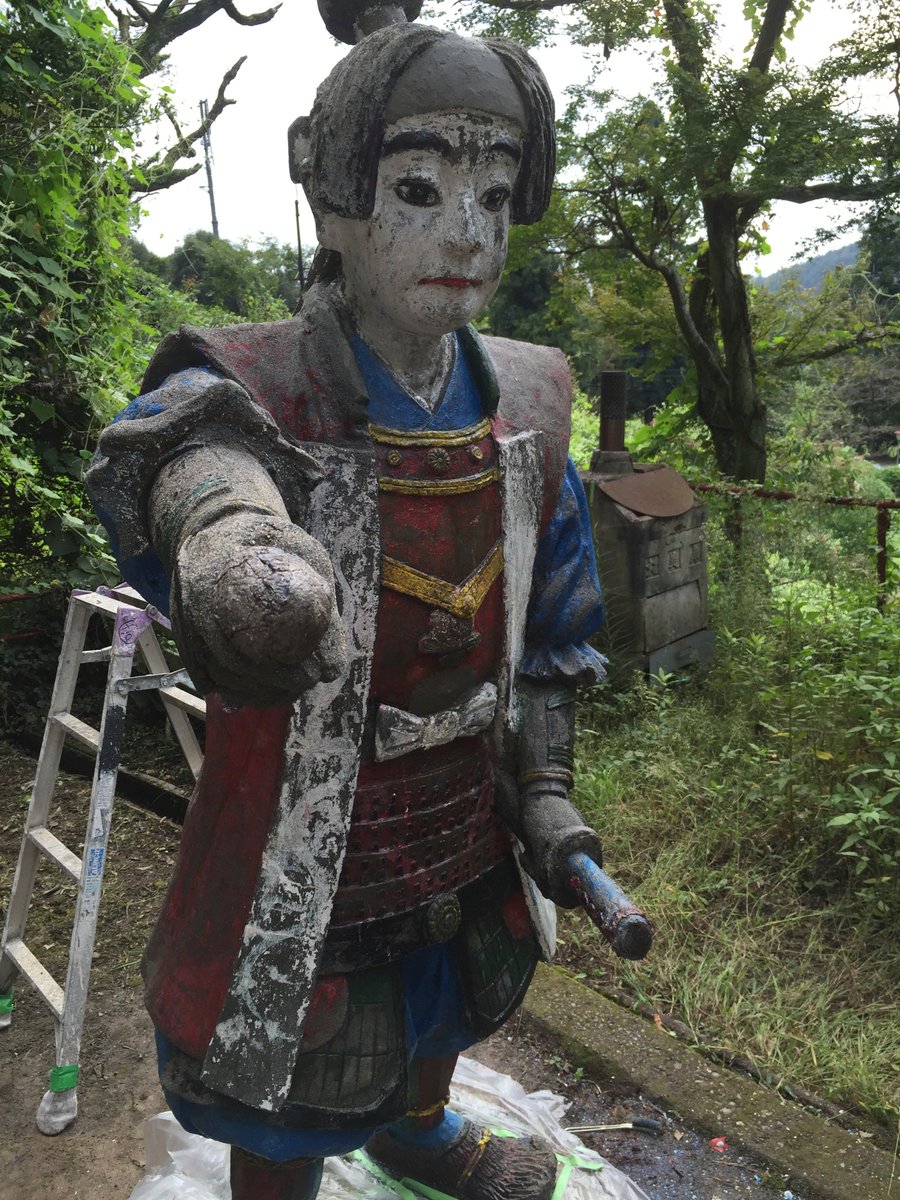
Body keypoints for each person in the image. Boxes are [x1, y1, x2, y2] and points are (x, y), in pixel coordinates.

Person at [87, 6, 609, 1198]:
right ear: (335, 203)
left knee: (446, 987)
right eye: (420, 189)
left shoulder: (528, 397)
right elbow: (189, 454)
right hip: (305, 812)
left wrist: (545, 788)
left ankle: (417, 1130)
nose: (466, 232)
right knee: (295, 1048)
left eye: (496, 192)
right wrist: (228, 536)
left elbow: (555, 630)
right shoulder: (256, 380)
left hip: (465, 798)